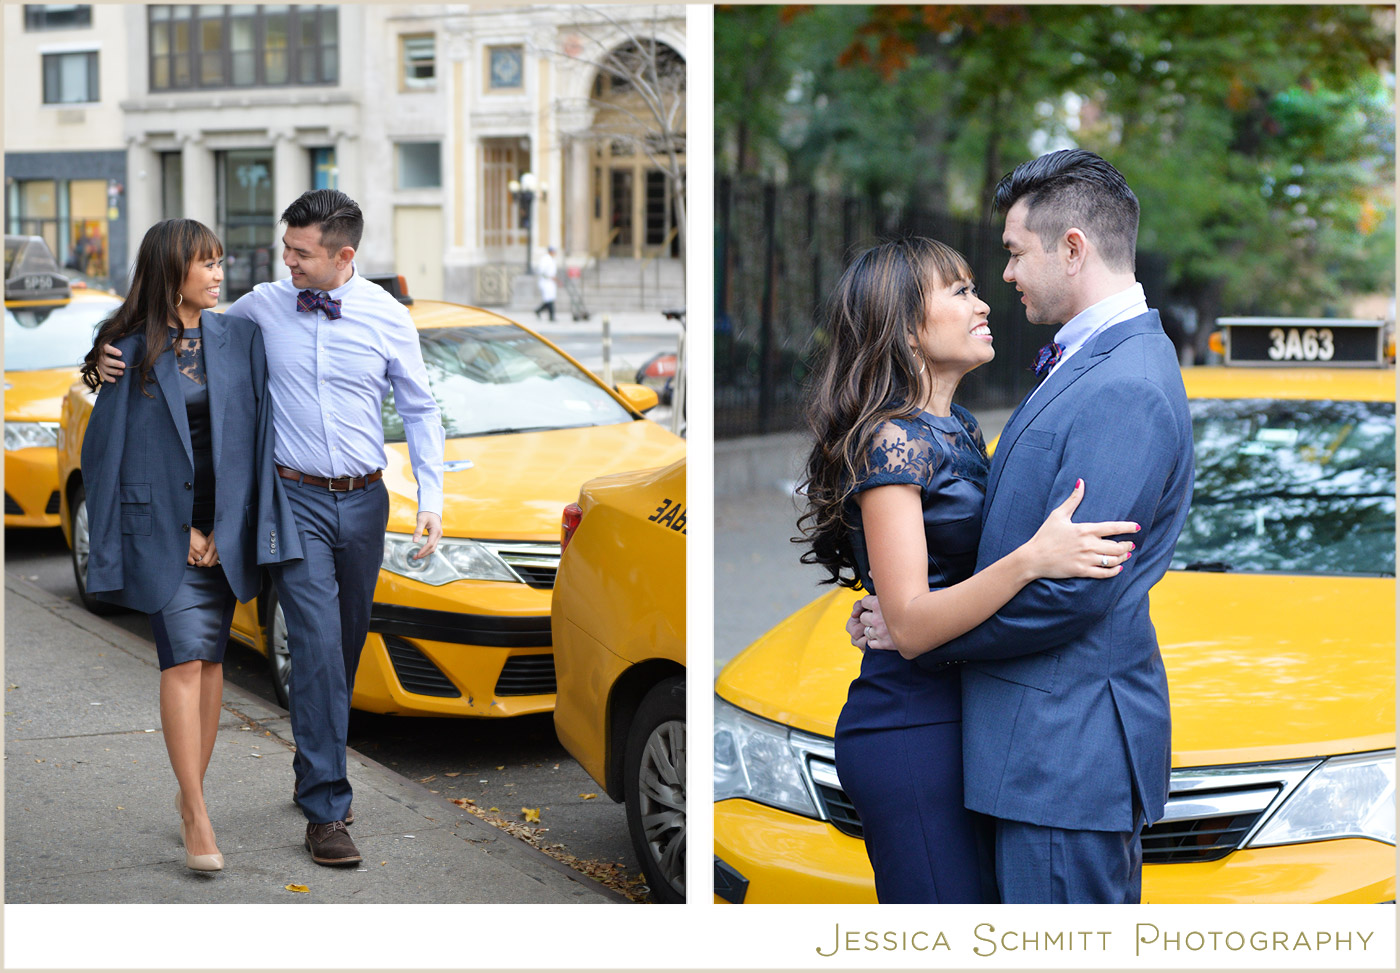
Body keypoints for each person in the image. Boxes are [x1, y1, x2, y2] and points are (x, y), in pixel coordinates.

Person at [853, 150, 1195, 903]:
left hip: (1060, 759)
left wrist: (919, 634)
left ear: (1072, 248)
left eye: (1012, 254)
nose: (1002, 278)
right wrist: (915, 613)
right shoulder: (1091, 363)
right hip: (1025, 751)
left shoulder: (1123, 384)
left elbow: (1072, 593)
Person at [96, 190, 446, 868]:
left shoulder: (386, 316)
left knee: (341, 649)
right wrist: (105, 350)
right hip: (294, 502)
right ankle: (327, 809)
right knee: (313, 646)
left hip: (366, 501)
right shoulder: (261, 305)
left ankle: (313, 763)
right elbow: (171, 329)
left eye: (301, 252)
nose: (285, 261)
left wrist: (431, 494)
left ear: (343, 255)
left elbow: (420, 404)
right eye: (286, 248)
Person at [797, 236, 1139, 903]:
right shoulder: (890, 437)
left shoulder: (955, 424)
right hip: (910, 727)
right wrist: (1033, 560)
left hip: (970, 722)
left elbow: (926, 596)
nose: (983, 304)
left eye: (975, 288)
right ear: (904, 328)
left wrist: (910, 607)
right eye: (958, 292)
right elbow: (914, 624)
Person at [79, 218, 303, 873]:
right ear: (170, 271)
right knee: (182, 661)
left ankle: (189, 793)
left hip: (223, 532)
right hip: (166, 534)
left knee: (210, 666)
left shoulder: (240, 337)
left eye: (218, 261)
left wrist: (228, 530)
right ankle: (198, 811)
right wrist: (177, 533)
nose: (216, 273)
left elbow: (255, 440)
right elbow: (107, 456)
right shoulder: (128, 347)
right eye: (203, 263)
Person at [535, 245, 558, 321]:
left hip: (550, 282)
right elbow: (541, 271)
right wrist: (549, 277)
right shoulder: (545, 259)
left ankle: (538, 311)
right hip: (545, 281)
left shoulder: (551, 259)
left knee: (550, 299)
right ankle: (551, 316)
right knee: (549, 299)